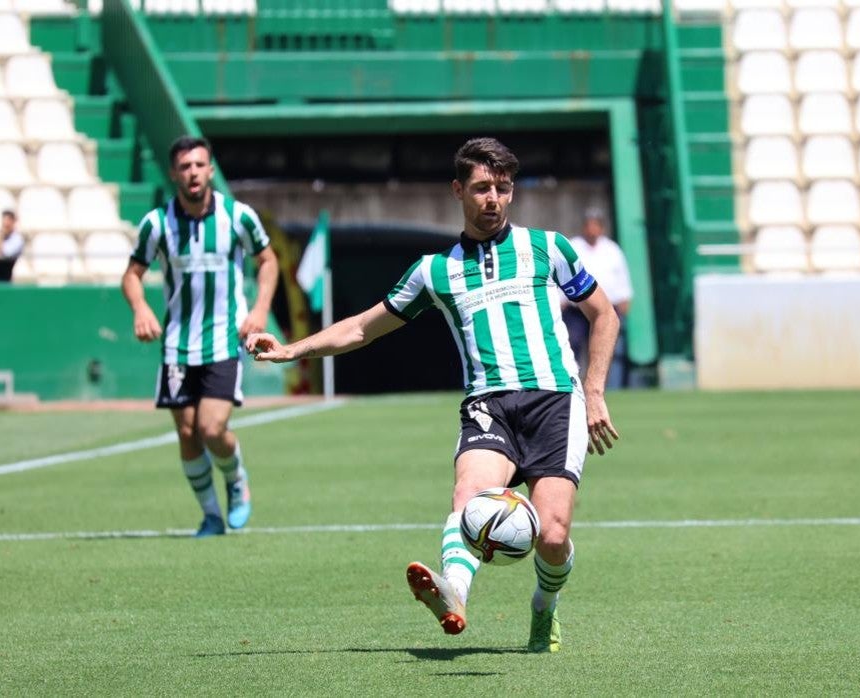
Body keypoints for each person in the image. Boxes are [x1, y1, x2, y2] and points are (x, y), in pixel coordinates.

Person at [245, 137, 622, 653]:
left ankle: (544, 605)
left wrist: (594, 392)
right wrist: (292, 349)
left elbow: (604, 315)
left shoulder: (548, 247)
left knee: (552, 536)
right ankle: (454, 593)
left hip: (555, 400)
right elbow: (363, 327)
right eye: (482, 188)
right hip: (488, 405)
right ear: (458, 190)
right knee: (468, 499)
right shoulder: (434, 270)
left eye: (503, 188)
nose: (493, 199)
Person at [121, 135, 279, 538]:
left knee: (211, 428)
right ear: (174, 174)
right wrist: (140, 308)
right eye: (185, 167)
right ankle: (210, 516)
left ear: (210, 170)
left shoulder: (238, 217)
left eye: (199, 165)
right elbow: (132, 275)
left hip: (224, 339)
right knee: (188, 433)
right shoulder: (157, 224)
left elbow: (267, 261)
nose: (192, 173)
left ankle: (236, 478)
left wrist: (260, 309)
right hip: (177, 344)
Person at [561, 207, 632, 388]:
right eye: (589, 225)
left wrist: (624, 300)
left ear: (601, 227)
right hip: (577, 310)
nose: (592, 229)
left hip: (605, 308)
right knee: (572, 347)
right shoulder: (574, 246)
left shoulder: (612, 249)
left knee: (605, 349)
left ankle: (608, 388)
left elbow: (622, 278)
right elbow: (562, 274)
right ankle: (573, 386)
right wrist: (560, 301)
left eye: (596, 225)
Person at [0, 209, 24, 282]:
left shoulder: (17, 239)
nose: (5, 226)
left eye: (7, 224)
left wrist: (1, 237)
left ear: (13, 222)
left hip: (4, 277)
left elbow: (6, 253)